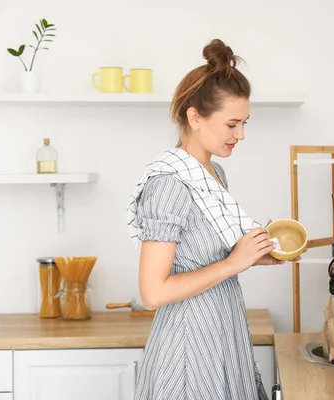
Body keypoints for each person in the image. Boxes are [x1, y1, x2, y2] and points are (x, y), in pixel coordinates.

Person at [126, 38, 303, 400]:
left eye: (245, 123)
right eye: (232, 124)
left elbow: (212, 257)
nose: (241, 135)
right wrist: (233, 262)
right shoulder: (169, 185)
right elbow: (153, 293)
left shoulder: (214, 174)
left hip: (224, 333)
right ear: (195, 117)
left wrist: (252, 254)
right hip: (189, 348)